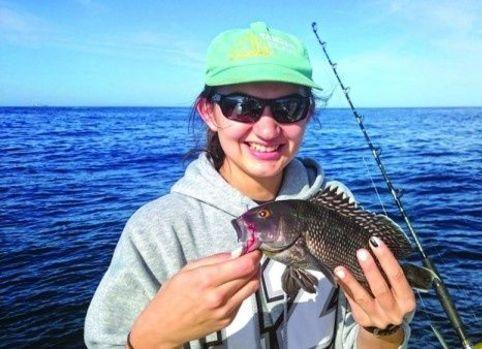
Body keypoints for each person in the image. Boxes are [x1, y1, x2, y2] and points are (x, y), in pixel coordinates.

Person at [84, 22, 415, 349]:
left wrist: (384, 331)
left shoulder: (337, 200)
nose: (268, 129)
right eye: (241, 106)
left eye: (289, 107)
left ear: (307, 114)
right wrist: (152, 338)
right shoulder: (157, 229)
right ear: (209, 113)